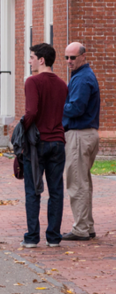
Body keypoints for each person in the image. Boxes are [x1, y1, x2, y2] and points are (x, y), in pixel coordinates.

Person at [20, 43, 68, 248]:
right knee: (56, 190)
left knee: (33, 190)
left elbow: (31, 112)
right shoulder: (62, 84)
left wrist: (21, 129)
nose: (29, 61)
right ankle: (54, 237)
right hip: (58, 141)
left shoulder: (32, 81)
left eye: (31, 57)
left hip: (37, 143)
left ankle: (32, 237)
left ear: (41, 60)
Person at [62, 42, 101, 241]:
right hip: (87, 134)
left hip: (79, 134)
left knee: (76, 182)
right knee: (83, 182)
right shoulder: (82, 76)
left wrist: (56, 107)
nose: (69, 61)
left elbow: (76, 108)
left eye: (73, 57)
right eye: (67, 57)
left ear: (83, 56)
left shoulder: (82, 79)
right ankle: (87, 226)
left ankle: (80, 229)